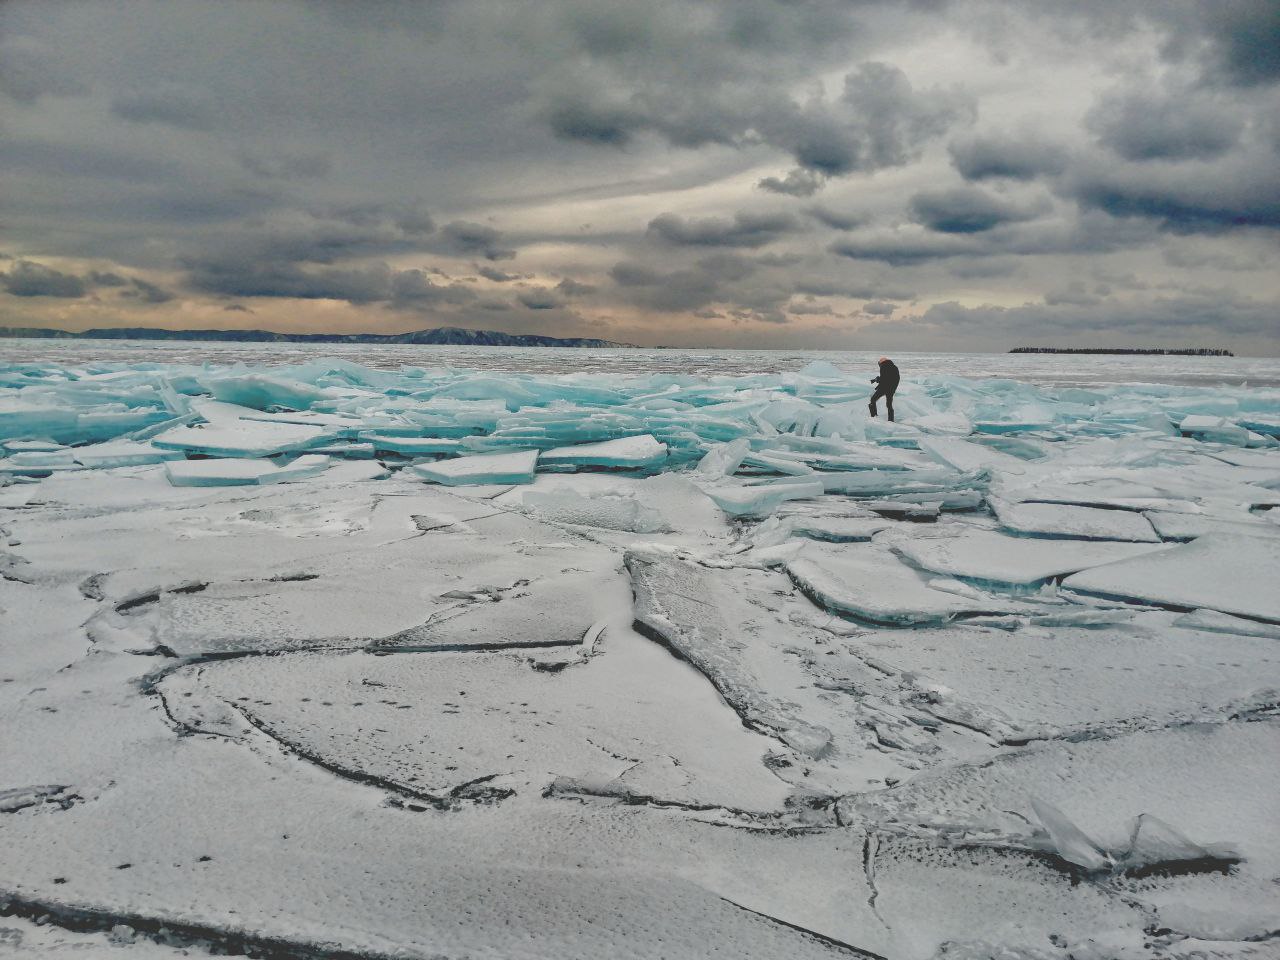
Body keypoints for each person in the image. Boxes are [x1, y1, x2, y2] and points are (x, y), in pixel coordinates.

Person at [869, 356, 899, 422]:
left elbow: (884, 379)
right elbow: (896, 379)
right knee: (889, 405)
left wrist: (877, 380)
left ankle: (874, 417)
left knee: (873, 399)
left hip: (884, 388)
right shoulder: (895, 367)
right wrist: (893, 389)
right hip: (891, 389)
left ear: (881, 363)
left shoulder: (883, 367)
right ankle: (891, 420)